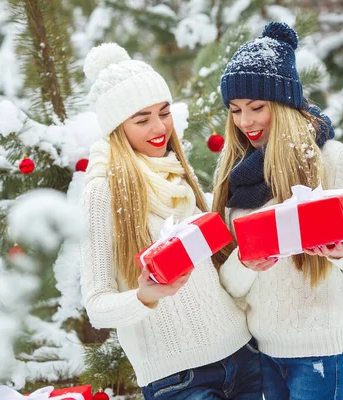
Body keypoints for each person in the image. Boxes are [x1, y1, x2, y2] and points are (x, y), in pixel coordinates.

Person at [212, 22, 343, 400]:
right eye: (236, 110)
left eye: (257, 107)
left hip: (322, 353)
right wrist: (246, 262)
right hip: (262, 355)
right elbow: (226, 283)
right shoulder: (232, 174)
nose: (246, 122)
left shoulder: (332, 159)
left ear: (285, 103)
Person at [79, 42, 262, 400]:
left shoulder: (177, 171)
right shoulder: (104, 190)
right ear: (118, 127)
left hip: (242, 355)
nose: (159, 127)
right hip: (179, 379)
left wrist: (252, 259)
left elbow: (213, 277)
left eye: (164, 112)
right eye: (142, 119)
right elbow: (97, 305)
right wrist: (146, 295)